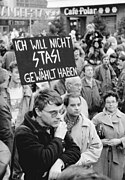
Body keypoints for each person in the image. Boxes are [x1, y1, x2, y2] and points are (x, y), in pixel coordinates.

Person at [15, 89, 80, 180]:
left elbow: (75, 150)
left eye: (61, 111)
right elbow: (44, 160)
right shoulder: (24, 133)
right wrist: (58, 138)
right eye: (53, 113)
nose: (59, 117)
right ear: (38, 112)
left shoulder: (53, 124)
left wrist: (60, 162)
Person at [92, 91, 125, 180]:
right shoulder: (97, 118)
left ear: (117, 103)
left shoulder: (123, 118)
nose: (111, 105)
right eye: (108, 102)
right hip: (101, 156)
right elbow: (89, 135)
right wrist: (100, 142)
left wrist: (119, 141)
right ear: (105, 104)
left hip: (118, 155)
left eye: (113, 102)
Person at [64, 93, 102, 168]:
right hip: (61, 168)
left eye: (78, 104)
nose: (77, 108)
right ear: (65, 107)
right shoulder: (58, 123)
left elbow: (96, 147)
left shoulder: (88, 124)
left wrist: (79, 160)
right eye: (73, 105)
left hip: (81, 168)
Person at [8, 61, 34, 129]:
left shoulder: (27, 91)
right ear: (10, 73)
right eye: (17, 72)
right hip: (7, 128)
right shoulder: (4, 91)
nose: (19, 75)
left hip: (22, 127)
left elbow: (31, 111)